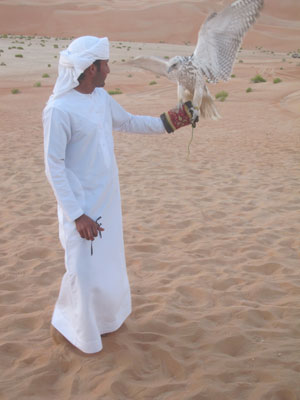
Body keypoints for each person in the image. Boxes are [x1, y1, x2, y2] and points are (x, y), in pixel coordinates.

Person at [43, 35, 196, 354]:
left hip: (107, 200)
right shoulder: (58, 110)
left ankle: (105, 321)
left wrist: (173, 120)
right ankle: (78, 331)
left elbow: (128, 123)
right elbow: (53, 166)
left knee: (107, 264)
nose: (109, 70)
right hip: (81, 206)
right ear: (89, 69)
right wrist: (76, 214)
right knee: (82, 269)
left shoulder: (100, 98)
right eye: (104, 64)